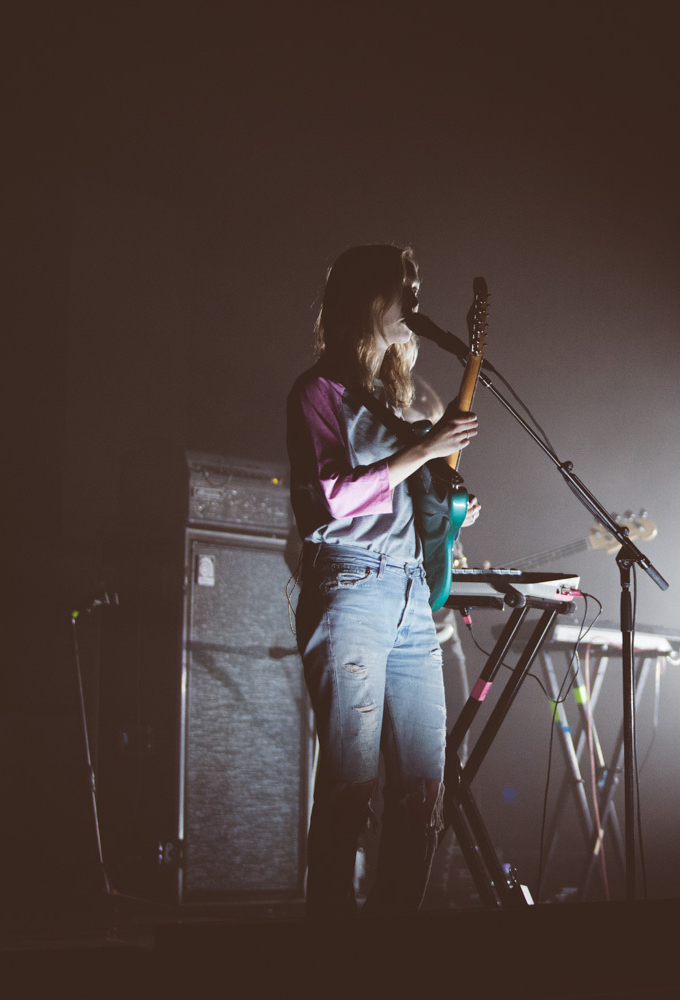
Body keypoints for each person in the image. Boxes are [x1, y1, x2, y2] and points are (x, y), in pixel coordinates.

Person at [286, 243, 481, 918]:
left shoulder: (394, 402)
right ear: (368, 301)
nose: (416, 305)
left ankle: (392, 951)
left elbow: (412, 501)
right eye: (406, 290)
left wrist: (453, 507)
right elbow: (330, 498)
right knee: (350, 786)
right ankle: (333, 950)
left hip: (409, 599)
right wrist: (423, 449)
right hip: (352, 592)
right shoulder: (319, 392)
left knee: (424, 793)